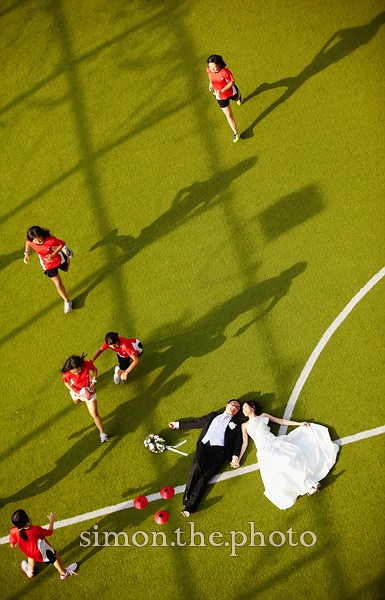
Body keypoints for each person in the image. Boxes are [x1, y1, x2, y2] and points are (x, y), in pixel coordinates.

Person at [239, 401, 339, 510]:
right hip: (264, 451)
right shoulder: (244, 425)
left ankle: (308, 485)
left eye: (245, 406)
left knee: (292, 458)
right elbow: (245, 443)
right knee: (282, 469)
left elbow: (280, 421)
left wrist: (299, 424)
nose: (243, 409)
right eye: (242, 408)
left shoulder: (263, 416)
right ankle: (308, 486)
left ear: (252, 407)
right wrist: (238, 458)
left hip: (275, 443)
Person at [169, 399, 243, 516]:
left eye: (237, 407)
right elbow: (197, 422)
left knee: (204, 478)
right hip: (204, 445)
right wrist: (177, 425)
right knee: (196, 466)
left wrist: (235, 456)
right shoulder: (213, 415)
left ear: (238, 411)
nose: (234, 407)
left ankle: (190, 508)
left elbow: (238, 441)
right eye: (233, 404)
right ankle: (187, 495)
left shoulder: (237, 423)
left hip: (219, 452)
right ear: (227, 405)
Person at [9, 509, 77, 580]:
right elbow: (49, 532)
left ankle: (30, 572)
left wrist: (13, 544)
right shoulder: (35, 529)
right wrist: (51, 520)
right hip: (40, 552)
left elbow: (12, 543)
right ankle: (63, 573)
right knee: (54, 557)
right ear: (26, 519)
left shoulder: (13, 530)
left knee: (31, 556)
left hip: (27, 551)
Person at [24, 226, 73, 313]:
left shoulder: (51, 240)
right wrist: (26, 254)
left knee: (66, 269)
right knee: (58, 282)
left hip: (58, 258)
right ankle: (67, 301)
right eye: (34, 240)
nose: (37, 242)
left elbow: (62, 243)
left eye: (38, 239)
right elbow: (28, 242)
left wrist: (53, 254)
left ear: (41, 235)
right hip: (47, 265)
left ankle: (67, 252)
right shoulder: (31, 241)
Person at [62, 354, 108, 443]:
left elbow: (95, 370)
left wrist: (93, 382)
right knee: (76, 402)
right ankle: (76, 398)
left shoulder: (86, 364)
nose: (77, 373)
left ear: (81, 365)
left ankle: (102, 434)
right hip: (76, 392)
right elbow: (66, 382)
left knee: (94, 414)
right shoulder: (67, 374)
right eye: (74, 372)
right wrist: (75, 393)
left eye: (78, 370)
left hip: (89, 391)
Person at [206, 54, 242, 143]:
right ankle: (236, 133)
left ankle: (239, 97)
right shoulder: (209, 69)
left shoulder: (225, 72)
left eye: (214, 67)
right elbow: (210, 75)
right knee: (229, 115)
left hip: (231, 92)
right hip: (220, 97)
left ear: (219, 64)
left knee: (236, 99)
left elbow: (232, 82)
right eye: (211, 67)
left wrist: (222, 90)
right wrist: (211, 84)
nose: (212, 69)